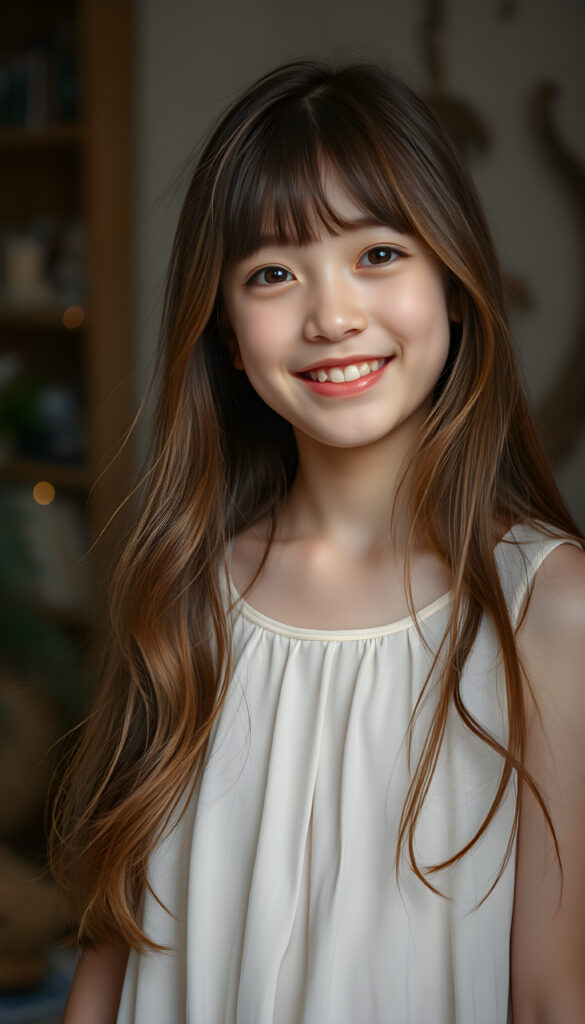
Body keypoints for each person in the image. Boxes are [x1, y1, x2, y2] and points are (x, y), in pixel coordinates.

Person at [52, 59, 585, 1024]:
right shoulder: (185, 589)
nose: (332, 315)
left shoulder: (546, 606)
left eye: (378, 253)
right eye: (271, 273)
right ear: (222, 330)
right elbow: (111, 948)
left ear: (456, 285)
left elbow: (553, 995)